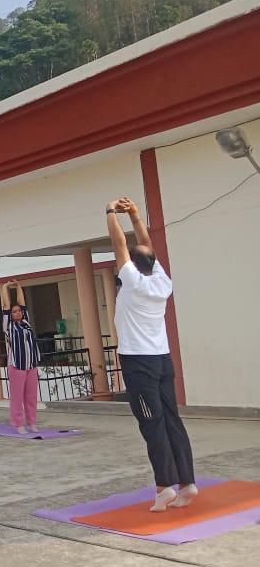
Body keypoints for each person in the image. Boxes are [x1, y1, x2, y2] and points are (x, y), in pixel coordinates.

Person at [107, 196, 196, 512]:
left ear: (131, 265)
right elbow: (146, 246)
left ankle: (164, 487)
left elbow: (119, 244)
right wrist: (134, 216)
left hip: (139, 362)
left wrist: (110, 211)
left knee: (152, 423)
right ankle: (187, 483)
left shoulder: (132, 281)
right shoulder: (162, 281)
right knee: (171, 419)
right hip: (162, 359)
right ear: (152, 263)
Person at [0, 280, 41, 434]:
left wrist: (18, 287)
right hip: (17, 364)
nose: (18, 313)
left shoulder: (26, 323)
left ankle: (32, 422)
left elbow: (22, 303)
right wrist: (5, 287)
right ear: (10, 315)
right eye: (14, 311)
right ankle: (18, 424)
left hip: (31, 363)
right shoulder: (8, 326)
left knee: (31, 395)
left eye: (19, 311)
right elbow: (6, 305)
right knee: (17, 396)